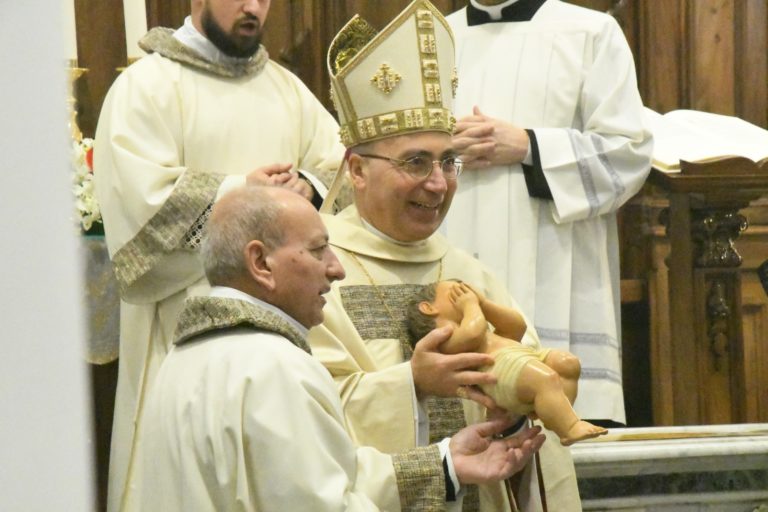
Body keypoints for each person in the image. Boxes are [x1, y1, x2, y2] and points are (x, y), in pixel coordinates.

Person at [309, 1, 581, 510]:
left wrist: (523, 413)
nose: (437, 184)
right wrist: (411, 383)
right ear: (358, 169)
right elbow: (305, 419)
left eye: (448, 161)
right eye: (415, 162)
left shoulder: (468, 272)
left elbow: (534, 397)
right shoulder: (316, 273)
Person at [126, 184, 545, 511]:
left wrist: (446, 463)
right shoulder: (274, 367)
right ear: (260, 263)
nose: (336, 268)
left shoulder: (182, 359)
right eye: (317, 250)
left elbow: (315, 479)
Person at [92, 1, 347, 509]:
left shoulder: (286, 89)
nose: (253, 8)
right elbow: (138, 208)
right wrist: (240, 195)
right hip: (182, 334)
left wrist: (310, 186)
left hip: (287, 335)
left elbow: (339, 159)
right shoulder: (147, 87)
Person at [442, 0, 654, 427]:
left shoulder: (591, 33)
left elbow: (629, 154)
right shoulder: (429, 39)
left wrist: (529, 146)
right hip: (453, 262)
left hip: (560, 278)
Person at [407, 280, 608, 446]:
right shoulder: (446, 338)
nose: (465, 293)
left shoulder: (480, 325)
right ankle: (569, 428)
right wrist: (469, 305)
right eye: (456, 290)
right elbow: (473, 333)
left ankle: (554, 412)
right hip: (496, 371)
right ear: (428, 307)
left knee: (567, 363)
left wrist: (484, 304)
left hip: (517, 357)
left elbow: (517, 326)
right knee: (545, 379)